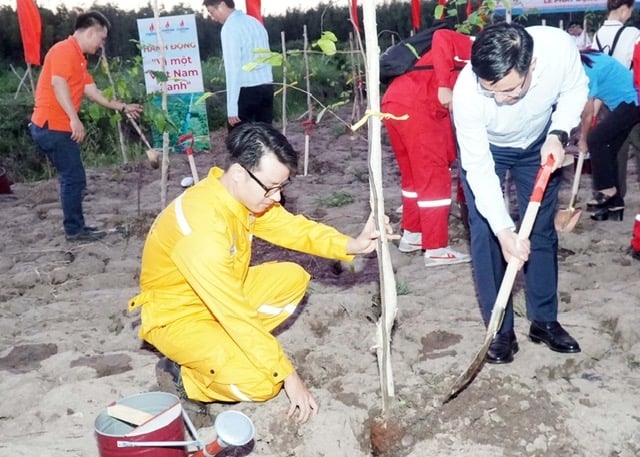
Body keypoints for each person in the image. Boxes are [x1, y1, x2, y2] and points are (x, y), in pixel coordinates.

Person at [128, 122, 395, 424]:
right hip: (177, 317)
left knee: (292, 279)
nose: (278, 198)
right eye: (272, 187)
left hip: (220, 298)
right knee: (263, 382)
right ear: (240, 173)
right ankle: (183, 378)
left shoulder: (240, 198)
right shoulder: (202, 227)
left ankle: (226, 349)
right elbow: (235, 314)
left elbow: (292, 228)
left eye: (282, 187)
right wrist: (288, 375)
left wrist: (353, 244)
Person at [452, 23, 588, 364]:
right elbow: (479, 168)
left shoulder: (558, 49)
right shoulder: (467, 93)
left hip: (540, 142)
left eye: (510, 90)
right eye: (491, 91)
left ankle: (544, 320)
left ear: (532, 67)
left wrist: (558, 133)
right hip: (490, 148)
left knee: (541, 230)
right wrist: (503, 229)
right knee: (486, 233)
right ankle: (500, 331)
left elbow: (575, 89)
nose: (500, 99)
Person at [29, 11, 143, 242]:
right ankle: (74, 230)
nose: (102, 45)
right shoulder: (63, 50)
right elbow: (58, 83)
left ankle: (77, 226)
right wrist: (74, 118)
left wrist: (122, 107)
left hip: (58, 125)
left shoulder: (79, 58)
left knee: (73, 177)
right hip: (52, 125)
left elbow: (93, 92)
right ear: (90, 32)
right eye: (101, 39)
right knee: (73, 177)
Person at [382, 28, 473, 267]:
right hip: (418, 105)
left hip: (395, 102)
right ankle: (436, 248)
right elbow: (442, 36)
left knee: (413, 176)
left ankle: (413, 234)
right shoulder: (479, 46)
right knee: (435, 176)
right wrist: (444, 86)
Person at [577, 50, 640, 222]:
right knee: (609, 150)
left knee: (595, 140)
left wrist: (583, 139)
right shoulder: (589, 57)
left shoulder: (583, 70)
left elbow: (587, 112)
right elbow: (597, 96)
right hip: (627, 103)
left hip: (631, 101)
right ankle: (614, 205)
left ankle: (606, 188)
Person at [203, 0, 274, 129]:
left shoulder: (230, 28)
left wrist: (232, 108)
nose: (213, 18)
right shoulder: (254, 22)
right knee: (265, 139)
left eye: (212, 12)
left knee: (241, 142)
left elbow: (233, 69)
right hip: (267, 87)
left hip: (246, 91)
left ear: (222, 5)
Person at [591, 0, 640, 69]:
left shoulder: (597, 35)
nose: (629, 15)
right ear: (624, 10)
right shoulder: (634, 34)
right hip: (625, 79)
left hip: (603, 79)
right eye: (631, 11)